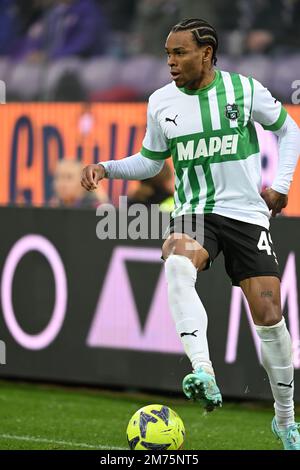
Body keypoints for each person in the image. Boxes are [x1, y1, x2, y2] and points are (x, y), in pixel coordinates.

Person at [81, 18, 300, 450]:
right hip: (195, 211)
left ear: (207, 52)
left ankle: (285, 420)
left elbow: (288, 129)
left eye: (179, 53)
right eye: (167, 54)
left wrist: (282, 184)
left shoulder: (244, 90)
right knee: (177, 260)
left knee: (270, 315)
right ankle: (203, 369)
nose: (171, 62)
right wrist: (107, 167)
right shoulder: (161, 101)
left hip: (245, 214)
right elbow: (150, 161)